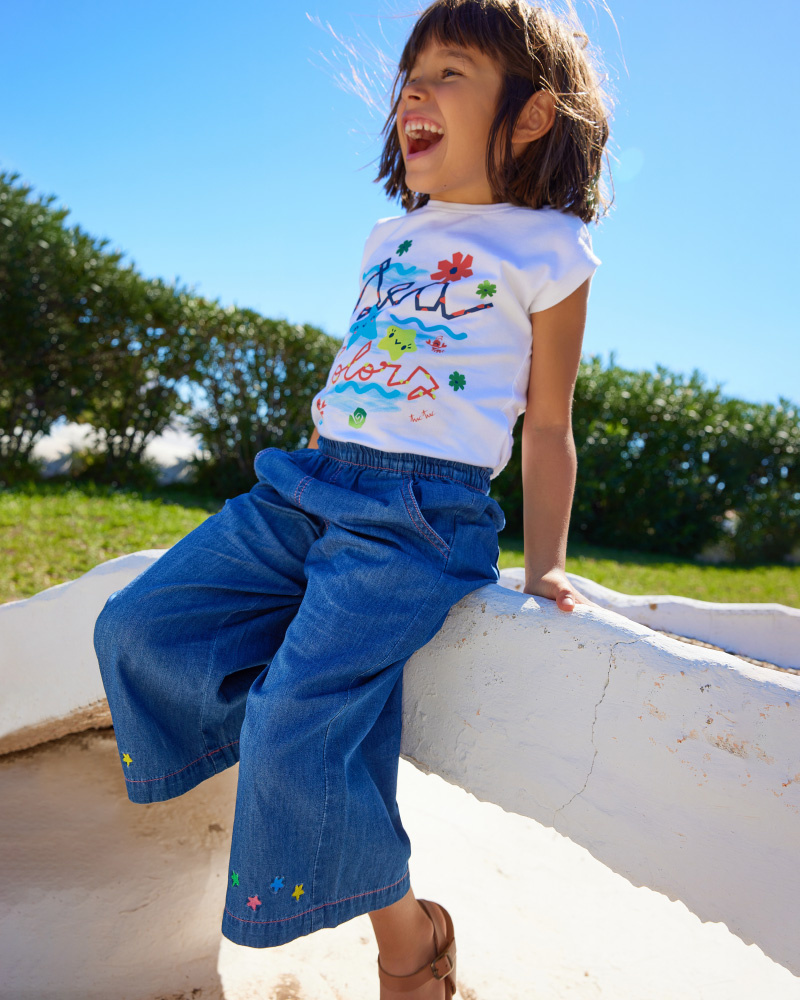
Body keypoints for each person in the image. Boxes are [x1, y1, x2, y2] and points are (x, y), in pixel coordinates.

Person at [93, 0, 611, 996]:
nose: (412, 91)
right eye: (409, 75)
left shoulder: (548, 249)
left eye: (449, 73)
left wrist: (543, 562)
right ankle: (307, 743)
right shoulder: (390, 235)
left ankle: (405, 936)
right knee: (138, 627)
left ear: (531, 116)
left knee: (297, 712)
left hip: (418, 518)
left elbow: (546, 426)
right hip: (307, 483)